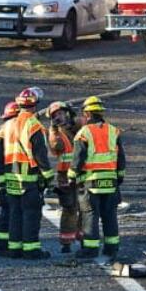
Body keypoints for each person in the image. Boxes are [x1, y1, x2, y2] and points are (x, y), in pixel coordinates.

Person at [70, 96, 125, 259]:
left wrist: (71, 176)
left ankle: (90, 249)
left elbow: (78, 158)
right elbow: (121, 157)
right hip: (111, 181)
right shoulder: (114, 131)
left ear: (87, 114)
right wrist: (119, 177)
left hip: (91, 181)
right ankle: (111, 248)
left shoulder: (84, 133)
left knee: (90, 215)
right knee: (110, 215)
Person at [2, 88, 54, 259]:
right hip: (28, 179)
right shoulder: (33, 125)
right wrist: (48, 176)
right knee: (31, 214)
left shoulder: (8, 124)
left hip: (11, 177)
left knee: (15, 214)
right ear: (35, 105)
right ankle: (31, 250)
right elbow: (40, 154)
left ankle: (15, 248)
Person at [45, 101, 82, 253]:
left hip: (83, 173)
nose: (58, 117)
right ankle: (66, 241)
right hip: (65, 176)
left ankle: (85, 238)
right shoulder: (56, 133)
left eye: (60, 113)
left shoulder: (81, 125)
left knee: (86, 208)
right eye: (55, 116)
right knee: (69, 208)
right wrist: (54, 129)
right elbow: (56, 147)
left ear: (68, 112)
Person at [0, 101, 20, 257]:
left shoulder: (5, 133)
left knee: (10, 212)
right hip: (10, 180)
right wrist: (2, 183)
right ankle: (3, 246)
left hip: (13, 179)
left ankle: (7, 246)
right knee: (8, 212)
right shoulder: (3, 135)